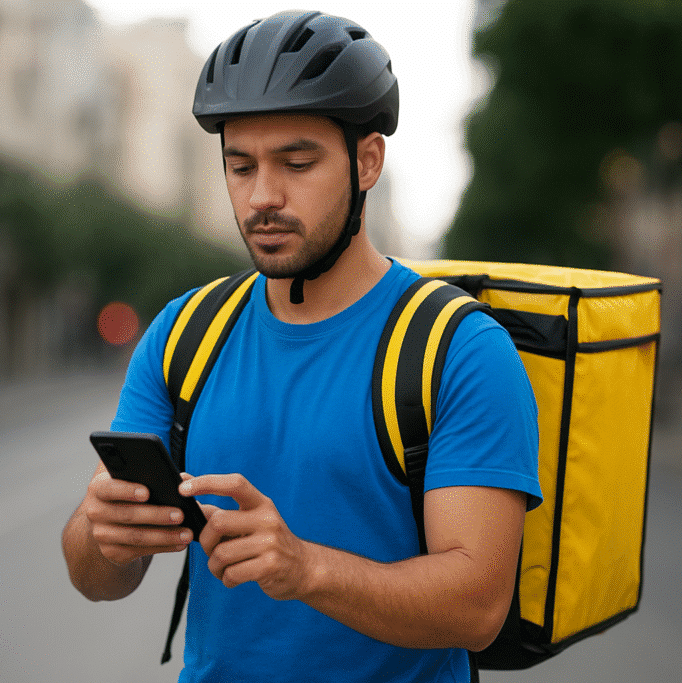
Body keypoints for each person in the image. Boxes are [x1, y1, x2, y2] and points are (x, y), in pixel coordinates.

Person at [62, 10, 542, 682]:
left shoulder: (459, 349)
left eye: (297, 162)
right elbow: (96, 578)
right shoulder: (183, 333)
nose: (262, 196)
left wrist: (307, 567)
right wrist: (100, 534)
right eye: (240, 165)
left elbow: (478, 606)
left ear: (367, 159)